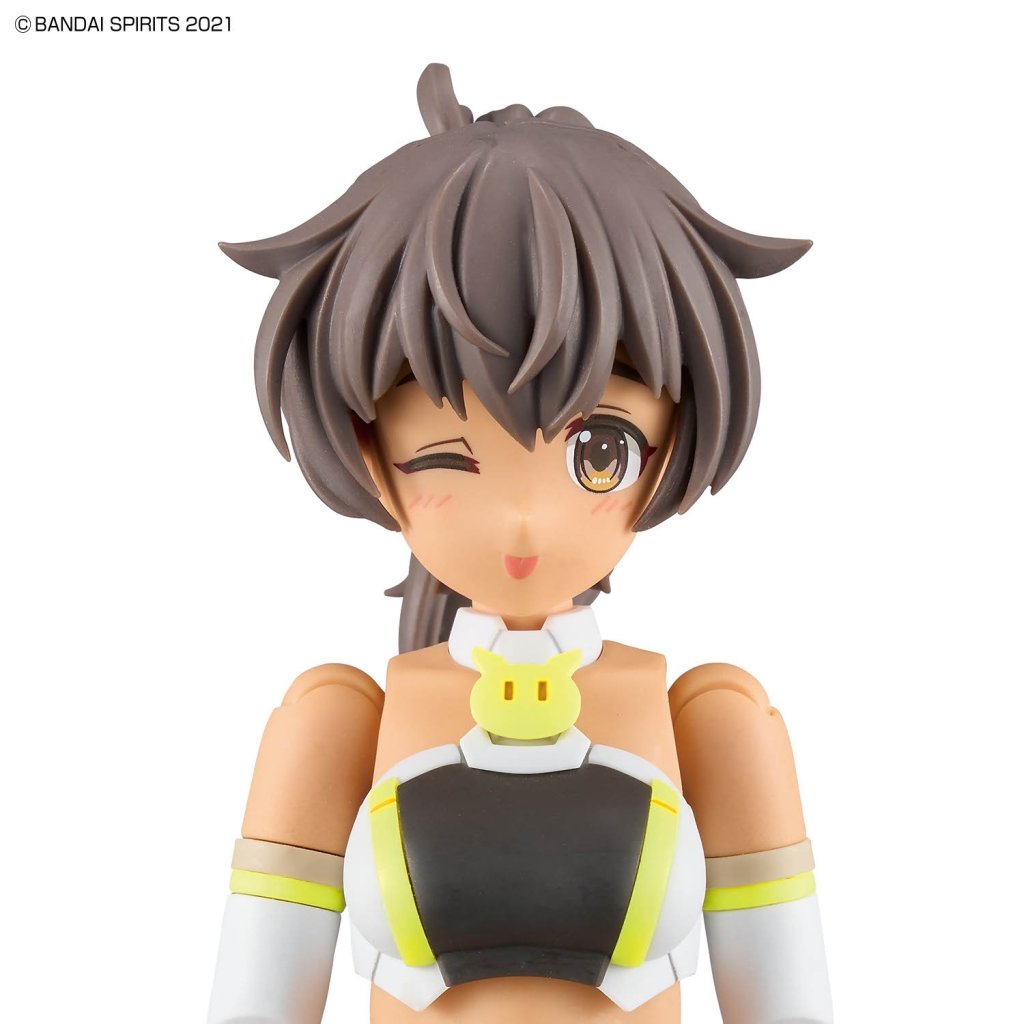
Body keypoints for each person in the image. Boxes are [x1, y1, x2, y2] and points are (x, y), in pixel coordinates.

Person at [207, 63, 832, 1024]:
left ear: (668, 446)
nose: (524, 520)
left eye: (599, 451)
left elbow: (789, 1003)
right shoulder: (335, 727)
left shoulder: (716, 727)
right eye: (446, 459)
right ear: (371, 457)